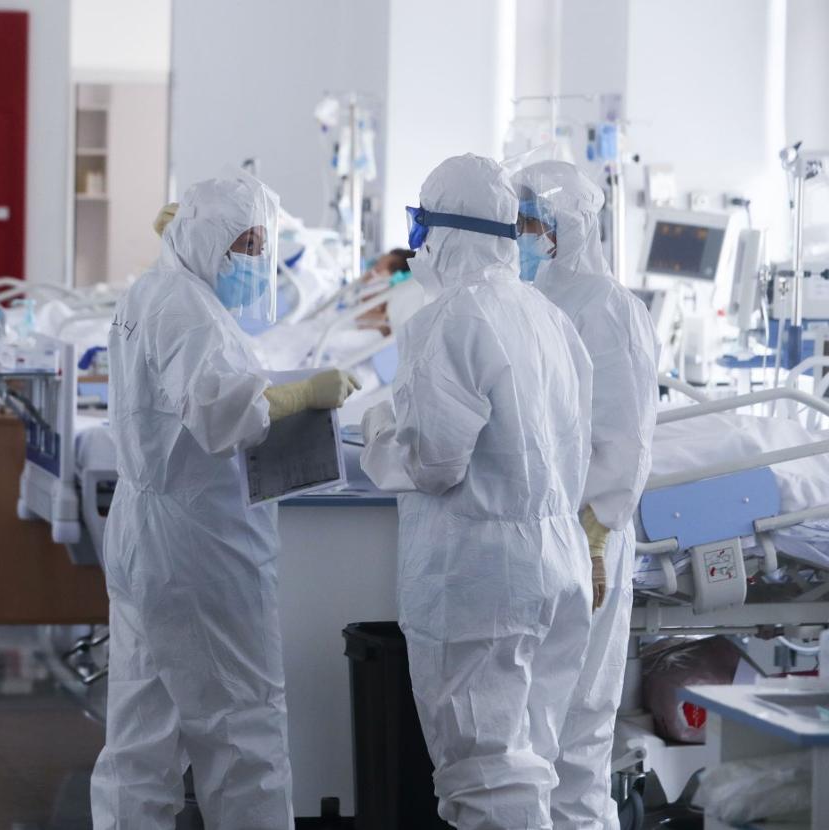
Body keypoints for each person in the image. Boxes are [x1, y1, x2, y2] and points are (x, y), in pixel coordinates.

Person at [91, 169, 358, 829]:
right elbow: (222, 413)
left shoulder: (155, 292)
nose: (256, 259)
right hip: (202, 548)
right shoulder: (185, 305)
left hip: (147, 536)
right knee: (245, 730)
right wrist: (304, 394)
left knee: (141, 733)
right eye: (248, 242)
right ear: (210, 238)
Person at [360, 154, 595, 830]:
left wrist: (379, 429)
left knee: (485, 778)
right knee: (534, 763)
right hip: (555, 560)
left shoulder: (448, 321)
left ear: (446, 229)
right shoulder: (548, 317)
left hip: (481, 578)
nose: (417, 243)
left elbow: (433, 463)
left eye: (420, 224)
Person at [513, 160, 658, 830]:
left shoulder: (607, 307)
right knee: (534, 727)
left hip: (589, 536)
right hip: (544, 534)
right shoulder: (532, 296)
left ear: (567, 227)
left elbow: (623, 438)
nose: (522, 234)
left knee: (580, 731)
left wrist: (598, 533)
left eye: (532, 222)